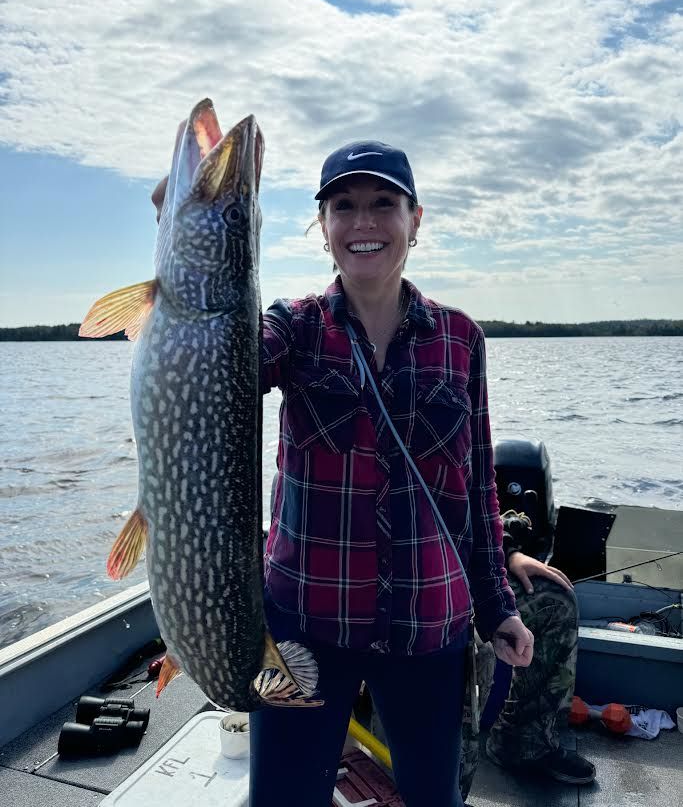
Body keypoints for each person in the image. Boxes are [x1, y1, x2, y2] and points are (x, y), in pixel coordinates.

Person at [152, 140, 534, 807]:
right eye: (344, 206)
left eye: (383, 204)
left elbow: (476, 488)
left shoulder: (460, 338)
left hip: (429, 629)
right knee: (280, 796)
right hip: (301, 624)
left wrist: (497, 605)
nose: (364, 222)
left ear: (415, 219)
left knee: (431, 796)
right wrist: (176, 226)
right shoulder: (290, 328)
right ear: (322, 228)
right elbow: (214, 356)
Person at [458, 511, 596, 800]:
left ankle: (522, 742)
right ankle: (445, 788)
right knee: (472, 654)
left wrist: (509, 552)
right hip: (399, 597)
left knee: (554, 601)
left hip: (465, 574)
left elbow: (479, 505)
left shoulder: (473, 463)